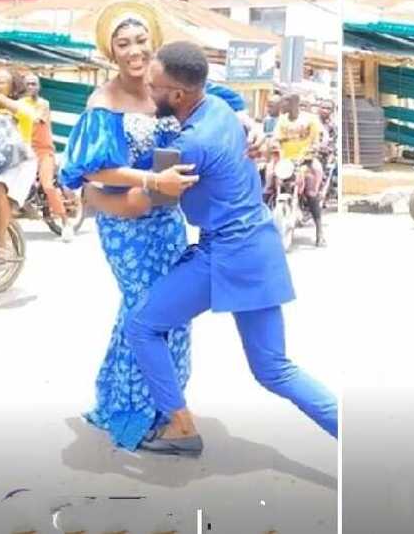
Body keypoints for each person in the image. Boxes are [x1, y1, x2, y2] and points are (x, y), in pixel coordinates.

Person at [83, 41, 338, 456]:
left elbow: (141, 200)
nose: (147, 92)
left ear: (178, 95)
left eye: (155, 86)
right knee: (274, 368)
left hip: (226, 253)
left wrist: (93, 196)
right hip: (260, 246)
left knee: (142, 326)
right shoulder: (218, 111)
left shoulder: (188, 148)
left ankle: (180, 425)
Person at [58, 0, 198, 452]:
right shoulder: (103, 102)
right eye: (124, 44)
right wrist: (149, 179)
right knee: (146, 310)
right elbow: (94, 170)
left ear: (153, 43)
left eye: (141, 41)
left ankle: (157, 402)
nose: (134, 51)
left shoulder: (165, 92)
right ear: (111, 52)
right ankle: (140, 405)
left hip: (168, 224)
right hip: (126, 228)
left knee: (167, 313)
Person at [0, 67, 39, 264]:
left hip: (18, 164)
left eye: (1, 82)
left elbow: (26, 114)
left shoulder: (24, 105)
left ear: (13, 88)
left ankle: (1, 244)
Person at [22, 71, 74, 241]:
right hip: (25, 152)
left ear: (39, 87)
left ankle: (66, 223)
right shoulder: (20, 103)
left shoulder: (43, 104)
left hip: (44, 152)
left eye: (34, 83)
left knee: (48, 185)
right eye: (28, 84)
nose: (31, 87)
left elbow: (37, 118)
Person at [276, 94, 326, 247]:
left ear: (295, 103)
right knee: (269, 184)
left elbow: (318, 139)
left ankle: (319, 232)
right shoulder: (282, 120)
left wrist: (314, 148)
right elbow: (276, 138)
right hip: (286, 162)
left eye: (286, 101)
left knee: (311, 192)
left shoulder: (310, 120)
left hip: (305, 160)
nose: (283, 104)